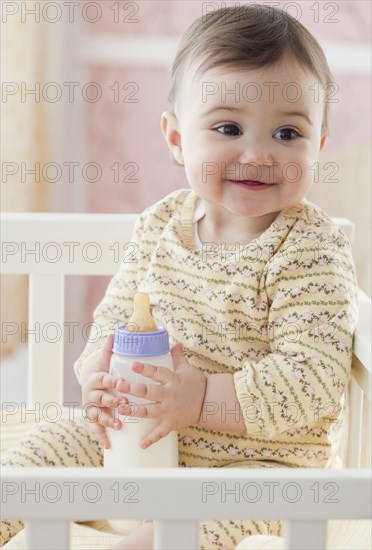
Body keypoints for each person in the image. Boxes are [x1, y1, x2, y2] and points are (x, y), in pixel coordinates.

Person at [1, 5, 358, 550]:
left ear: (319, 147)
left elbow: (310, 380)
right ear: (176, 138)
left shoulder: (311, 249)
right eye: (228, 128)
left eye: (288, 132)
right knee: (45, 445)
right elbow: (115, 319)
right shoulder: (161, 224)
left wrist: (199, 399)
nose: (258, 152)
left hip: (254, 464)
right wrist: (98, 374)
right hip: (139, 439)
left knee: (213, 514)